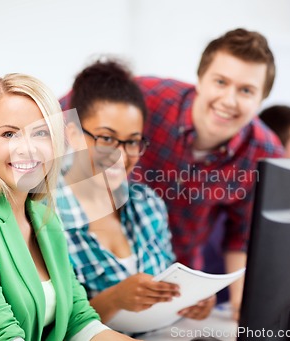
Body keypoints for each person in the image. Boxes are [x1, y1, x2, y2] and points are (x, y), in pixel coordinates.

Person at [0, 73, 136, 341]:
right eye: (9, 134)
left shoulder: (43, 216)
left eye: (41, 133)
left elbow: (79, 320)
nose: (28, 149)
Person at [131, 28, 284, 316]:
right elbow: (64, 119)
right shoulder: (146, 96)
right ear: (200, 79)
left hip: (176, 288)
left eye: (246, 90)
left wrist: (242, 307)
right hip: (105, 265)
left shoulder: (265, 153)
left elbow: (242, 236)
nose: (229, 100)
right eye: (221, 82)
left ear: (261, 100)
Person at [56, 60, 216, 325]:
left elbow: (166, 293)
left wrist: (190, 300)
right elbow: (49, 327)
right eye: (106, 138)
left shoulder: (148, 204)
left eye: (132, 141)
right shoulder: (43, 217)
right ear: (73, 134)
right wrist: (114, 299)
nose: (121, 156)